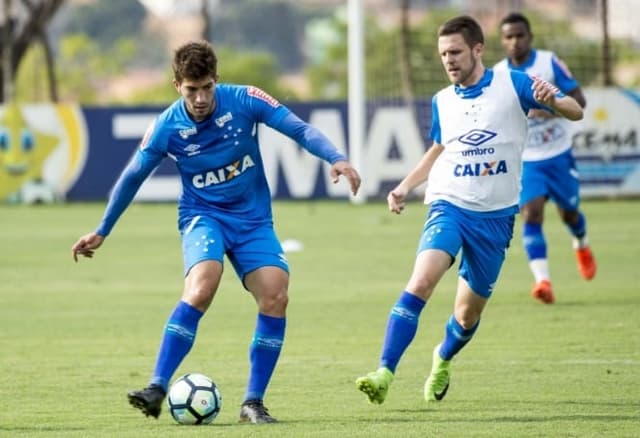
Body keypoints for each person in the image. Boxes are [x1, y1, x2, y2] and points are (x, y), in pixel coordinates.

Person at [71, 40, 361, 424]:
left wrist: (336, 158)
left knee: (275, 295)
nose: (201, 98)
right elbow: (132, 177)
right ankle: (157, 386)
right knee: (202, 286)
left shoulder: (245, 99)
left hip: (253, 218)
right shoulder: (167, 126)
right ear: (178, 86)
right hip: (202, 216)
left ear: (216, 80)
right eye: (192, 90)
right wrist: (102, 230)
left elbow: (299, 129)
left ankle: (252, 403)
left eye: (207, 87)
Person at [355, 15, 583, 405]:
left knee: (466, 316)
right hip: (450, 204)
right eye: (443, 53)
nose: (449, 60)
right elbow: (439, 148)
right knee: (421, 282)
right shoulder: (442, 100)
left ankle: (442, 358)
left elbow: (576, 110)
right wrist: (406, 186)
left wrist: (555, 101)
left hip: (495, 218)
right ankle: (384, 372)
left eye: (456, 51)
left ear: (478, 49)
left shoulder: (514, 83)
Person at [494, 12, 596, 304]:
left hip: (559, 154)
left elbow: (580, 100)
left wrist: (549, 106)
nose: (514, 41)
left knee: (570, 214)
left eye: (519, 35)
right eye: (508, 37)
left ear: (530, 37)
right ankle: (543, 281)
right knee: (532, 213)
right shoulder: (499, 74)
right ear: (502, 41)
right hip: (527, 159)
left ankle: (581, 243)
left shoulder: (548, 62)